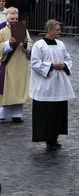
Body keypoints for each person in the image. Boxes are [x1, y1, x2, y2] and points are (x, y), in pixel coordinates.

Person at [30, 19, 75, 151]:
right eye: (57, 29)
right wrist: (51, 65)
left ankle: (54, 137)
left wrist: (64, 65)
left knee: (58, 112)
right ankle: (47, 139)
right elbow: (34, 63)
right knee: (46, 113)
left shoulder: (61, 44)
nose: (60, 31)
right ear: (49, 30)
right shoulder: (39, 45)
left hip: (59, 85)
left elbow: (68, 59)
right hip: (45, 85)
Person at [0, 10, 32, 122]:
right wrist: (8, 43)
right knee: (7, 90)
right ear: (7, 20)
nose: (14, 21)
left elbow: (31, 47)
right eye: (12, 19)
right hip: (9, 64)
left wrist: (26, 44)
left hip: (21, 64)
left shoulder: (24, 31)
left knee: (19, 91)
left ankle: (17, 115)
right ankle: (1, 114)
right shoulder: (1, 32)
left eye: (16, 19)